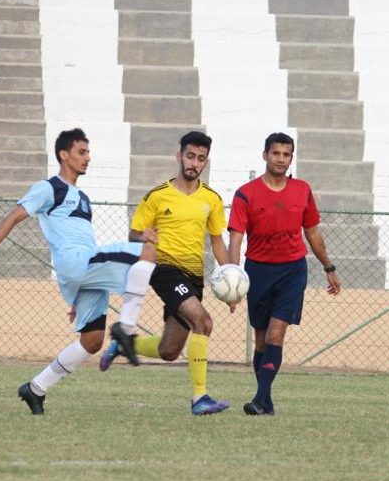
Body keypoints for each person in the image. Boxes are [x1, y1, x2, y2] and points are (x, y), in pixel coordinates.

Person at [0, 128, 158, 415]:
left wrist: (76, 292)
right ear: (64, 155)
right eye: (81, 152)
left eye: (88, 152)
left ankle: (36, 388)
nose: (88, 157)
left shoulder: (83, 197)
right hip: (76, 262)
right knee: (149, 252)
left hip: (82, 270)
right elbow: (14, 216)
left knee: (92, 341)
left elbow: (77, 235)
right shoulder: (49, 188)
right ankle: (125, 331)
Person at [100, 131, 233, 416]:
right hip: (165, 270)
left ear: (206, 162)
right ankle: (200, 398)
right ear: (179, 156)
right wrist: (143, 236)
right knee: (203, 322)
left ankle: (124, 345)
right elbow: (134, 233)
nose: (194, 163)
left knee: (169, 350)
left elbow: (217, 242)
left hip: (194, 276)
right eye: (190, 156)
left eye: (200, 158)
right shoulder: (157, 196)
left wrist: (231, 279)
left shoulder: (211, 199)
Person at [228, 133, 341, 416]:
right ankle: (266, 402)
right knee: (262, 339)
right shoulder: (245, 193)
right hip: (258, 271)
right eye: (275, 153)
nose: (280, 159)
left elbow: (312, 232)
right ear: (265, 155)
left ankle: (258, 399)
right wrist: (233, 278)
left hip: (292, 270)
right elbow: (236, 238)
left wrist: (329, 267)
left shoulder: (302, 190)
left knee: (277, 333)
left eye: (286, 154)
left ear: (291, 158)